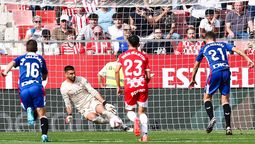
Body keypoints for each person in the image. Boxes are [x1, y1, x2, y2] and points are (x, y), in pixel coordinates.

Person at [188, 31, 254, 135]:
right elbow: (238, 51)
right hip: (226, 71)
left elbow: (196, 65)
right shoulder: (223, 44)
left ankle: (211, 118)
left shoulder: (204, 48)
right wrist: (248, 59)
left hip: (215, 72)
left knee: (207, 97)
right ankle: (228, 127)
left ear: (206, 39)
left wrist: (192, 78)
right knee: (225, 100)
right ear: (215, 39)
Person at [1, 40, 49, 142]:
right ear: (37, 49)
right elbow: (45, 76)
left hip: (23, 88)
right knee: (42, 113)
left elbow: (11, 63)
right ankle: (44, 135)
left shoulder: (22, 58)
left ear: (26, 48)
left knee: (26, 103)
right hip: (36, 87)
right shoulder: (40, 59)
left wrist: (5, 72)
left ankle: (28, 108)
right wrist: (42, 77)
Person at [60, 65, 132, 132]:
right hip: (82, 108)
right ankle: (113, 121)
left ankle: (125, 127)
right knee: (95, 119)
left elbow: (92, 91)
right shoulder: (64, 87)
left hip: (91, 101)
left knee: (104, 112)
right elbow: (67, 103)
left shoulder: (81, 79)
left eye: (74, 73)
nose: (74, 75)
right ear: (66, 74)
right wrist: (69, 115)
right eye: (71, 74)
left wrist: (105, 103)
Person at [115, 35, 152, 142]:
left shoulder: (122, 56)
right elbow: (148, 76)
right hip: (142, 84)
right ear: (138, 44)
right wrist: (145, 83)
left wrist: (118, 86)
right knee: (142, 111)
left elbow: (117, 70)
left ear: (128, 43)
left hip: (129, 85)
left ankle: (135, 119)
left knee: (129, 110)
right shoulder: (143, 56)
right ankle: (145, 136)